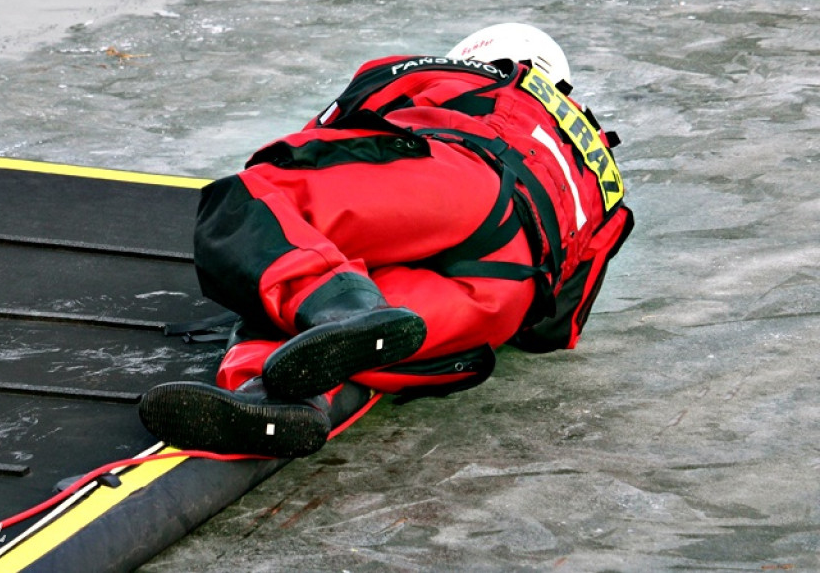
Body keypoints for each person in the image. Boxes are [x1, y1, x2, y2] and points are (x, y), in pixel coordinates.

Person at [139, 23, 634, 457]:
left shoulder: (464, 75)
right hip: (506, 291)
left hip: (456, 185)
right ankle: (281, 402)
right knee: (326, 318)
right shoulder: (601, 177)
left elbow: (329, 130)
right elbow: (553, 333)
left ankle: (322, 333)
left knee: (255, 218)